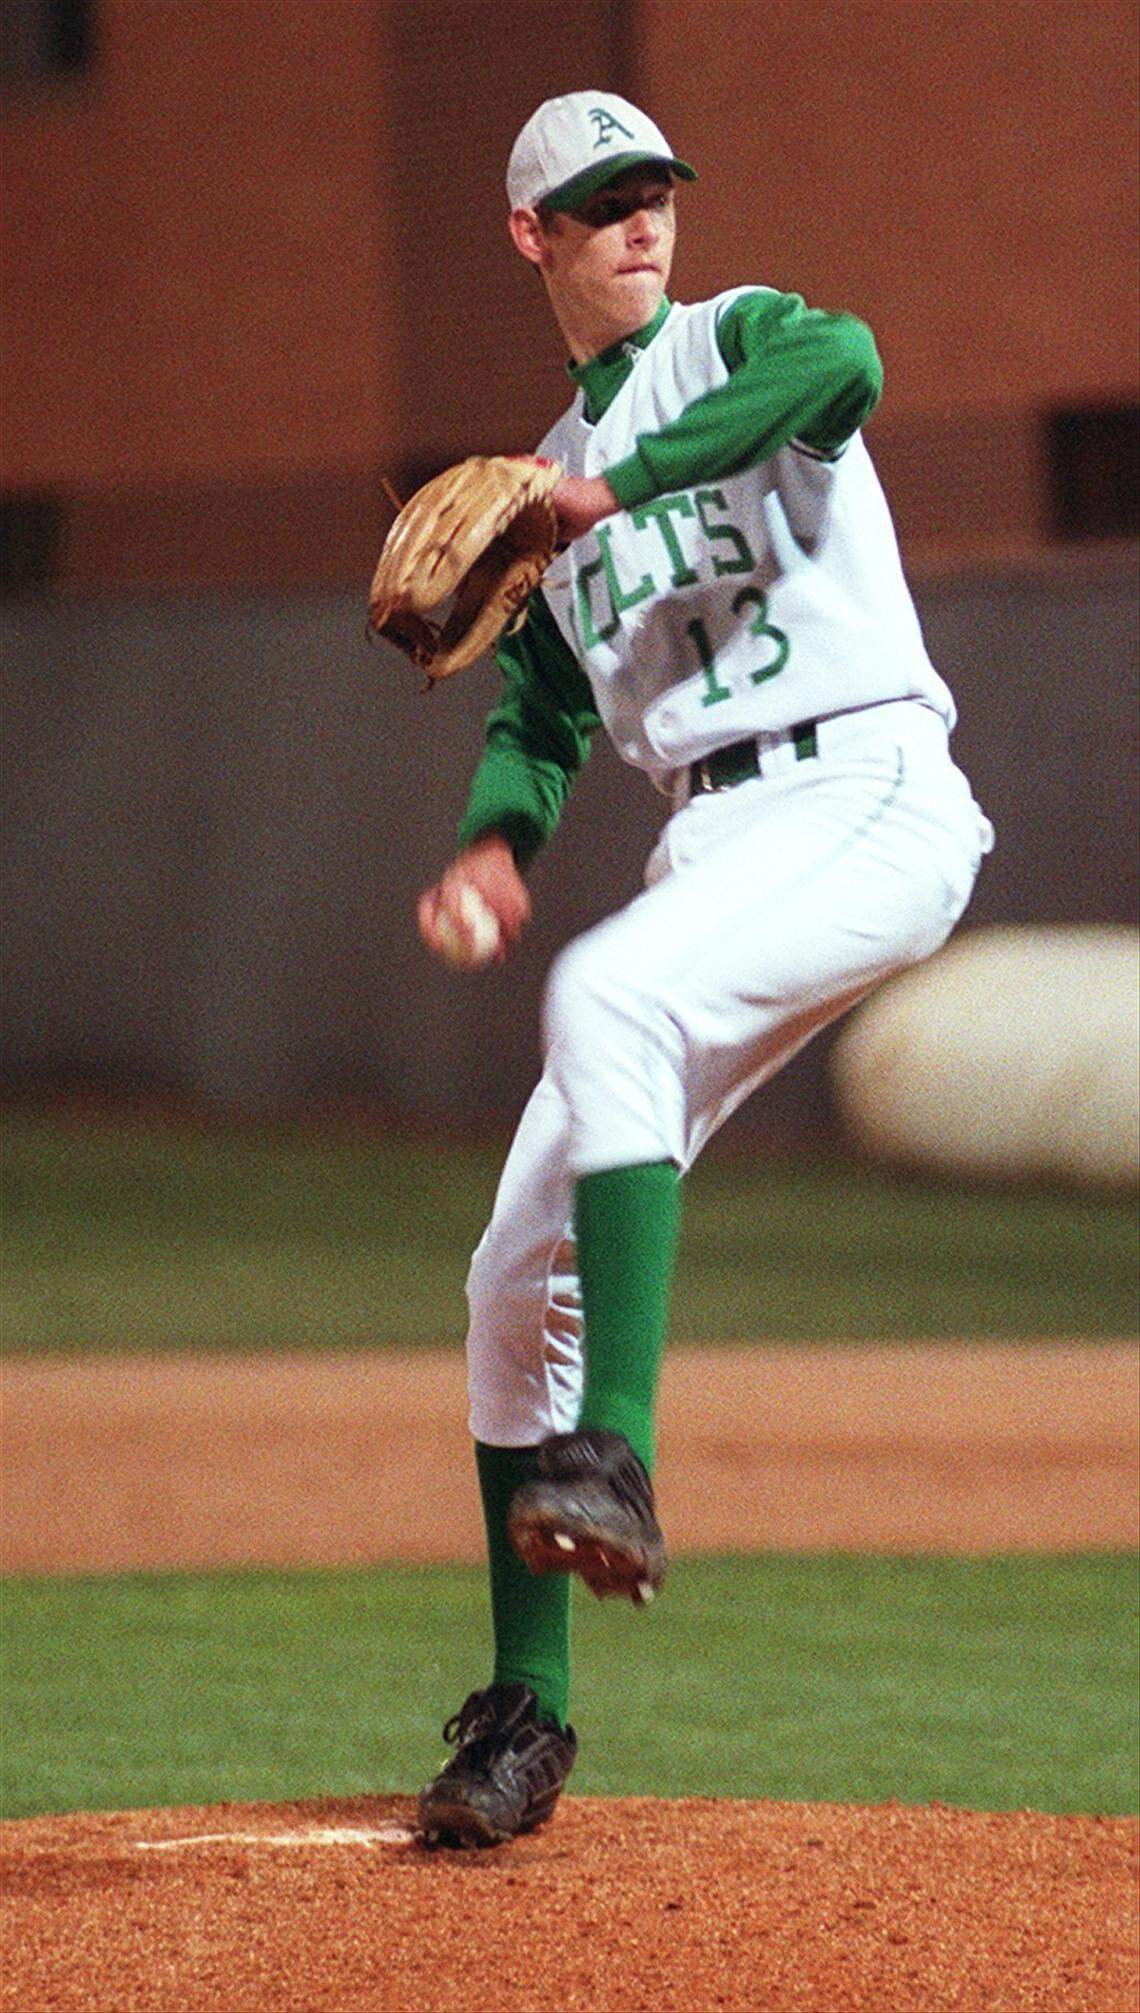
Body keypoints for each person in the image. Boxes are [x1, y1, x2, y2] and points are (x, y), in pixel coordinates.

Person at [415, 90, 993, 1849]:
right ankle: (529, 1716)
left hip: (870, 785)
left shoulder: (741, 345)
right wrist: (497, 843)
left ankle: (625, 1454)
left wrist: (621, 481)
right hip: (717, 850)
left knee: (609, 997)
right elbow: (537, 710)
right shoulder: (540, 493)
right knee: (511, 1278)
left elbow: (853, 367)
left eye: (653, 190)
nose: (638, 222)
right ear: (533, 236)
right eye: (598, 203)